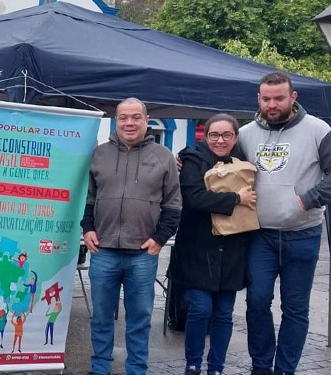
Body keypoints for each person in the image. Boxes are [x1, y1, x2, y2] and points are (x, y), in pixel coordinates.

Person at [237, 71, 331, 375]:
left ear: (293, 98)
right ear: (259, 99)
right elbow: (226, 168)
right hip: (260, 235)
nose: (272, 104)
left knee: (295, 309)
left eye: (279, 98)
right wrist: (184, 161)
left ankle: (285, 369)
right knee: (257, 301)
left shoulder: (319, 130)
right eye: (266, 98)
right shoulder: (247, 133)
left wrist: (307, 199)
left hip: (303, 234)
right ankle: (261, 366)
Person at [80, 97, 182, 375]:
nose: (129, 122)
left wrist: (160, 238)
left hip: (142, 253)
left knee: (139, 318)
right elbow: (88, 198)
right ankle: (100, 368)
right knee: (101, 317)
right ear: (116, 119)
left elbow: (173, 204)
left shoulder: (162, 156)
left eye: (136, 117)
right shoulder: (99, 154)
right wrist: (87, 228)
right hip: (104, 251)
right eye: (124, 117)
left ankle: (136, 369)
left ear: (146, 120)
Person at [172, 114, 256, 375]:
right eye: (214, 135)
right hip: (198, 248)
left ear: (235, 138)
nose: (220, 140)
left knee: (223, 314)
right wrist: (236, 198)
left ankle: (216, 368)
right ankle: (193, 364)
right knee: (200, 309)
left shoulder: (244, 163)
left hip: (232, 250)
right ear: (205, 136)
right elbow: (195, 198)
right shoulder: (192, 160)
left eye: (226, 135)